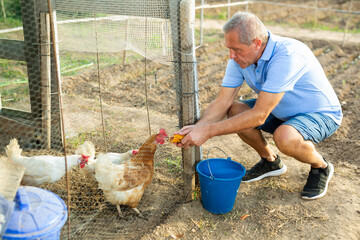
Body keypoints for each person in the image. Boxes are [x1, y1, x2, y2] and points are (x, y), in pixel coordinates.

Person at [175, 11, 342, 200]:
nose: (231, 56)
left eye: (236, 49)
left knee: (285, 136)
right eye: (229, 49)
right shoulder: (239, 59)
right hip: (281, 110)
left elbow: (260, 115)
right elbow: (223, 101)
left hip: (320, 113)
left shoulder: (287, 54)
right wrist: (198, 128)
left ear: (256, 43)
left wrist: (208, 132)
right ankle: (270, 162)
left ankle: (321, 167)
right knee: (236, 110)